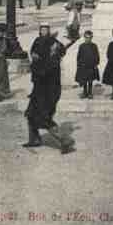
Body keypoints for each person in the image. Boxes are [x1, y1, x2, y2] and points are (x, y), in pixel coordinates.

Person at [24, 24, 75, 153]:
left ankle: (65, 141)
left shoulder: (54, 51)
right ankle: (34, 139)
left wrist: (57, 51)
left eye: (46, 29)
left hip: (49, 90)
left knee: (44, 117)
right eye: (42, 29)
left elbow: (60, 52)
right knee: (30, 114)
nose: (44, 31)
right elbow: (34, 54)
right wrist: (34, 57)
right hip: (38, 88)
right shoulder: (37, 41)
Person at [75, 31, 100, 99]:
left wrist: (96, 63)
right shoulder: (81, 46)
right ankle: (85, 92)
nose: (87, 39)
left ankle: (90, 93)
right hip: (83, 66)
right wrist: (79, 64)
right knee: (84, 80)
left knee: (90, 80)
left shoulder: (94, 46)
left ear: (91, 38)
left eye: (89, 37)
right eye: (86, 37)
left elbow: (97, 55)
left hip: (91, 66)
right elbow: (79, 56)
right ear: (84, 37)